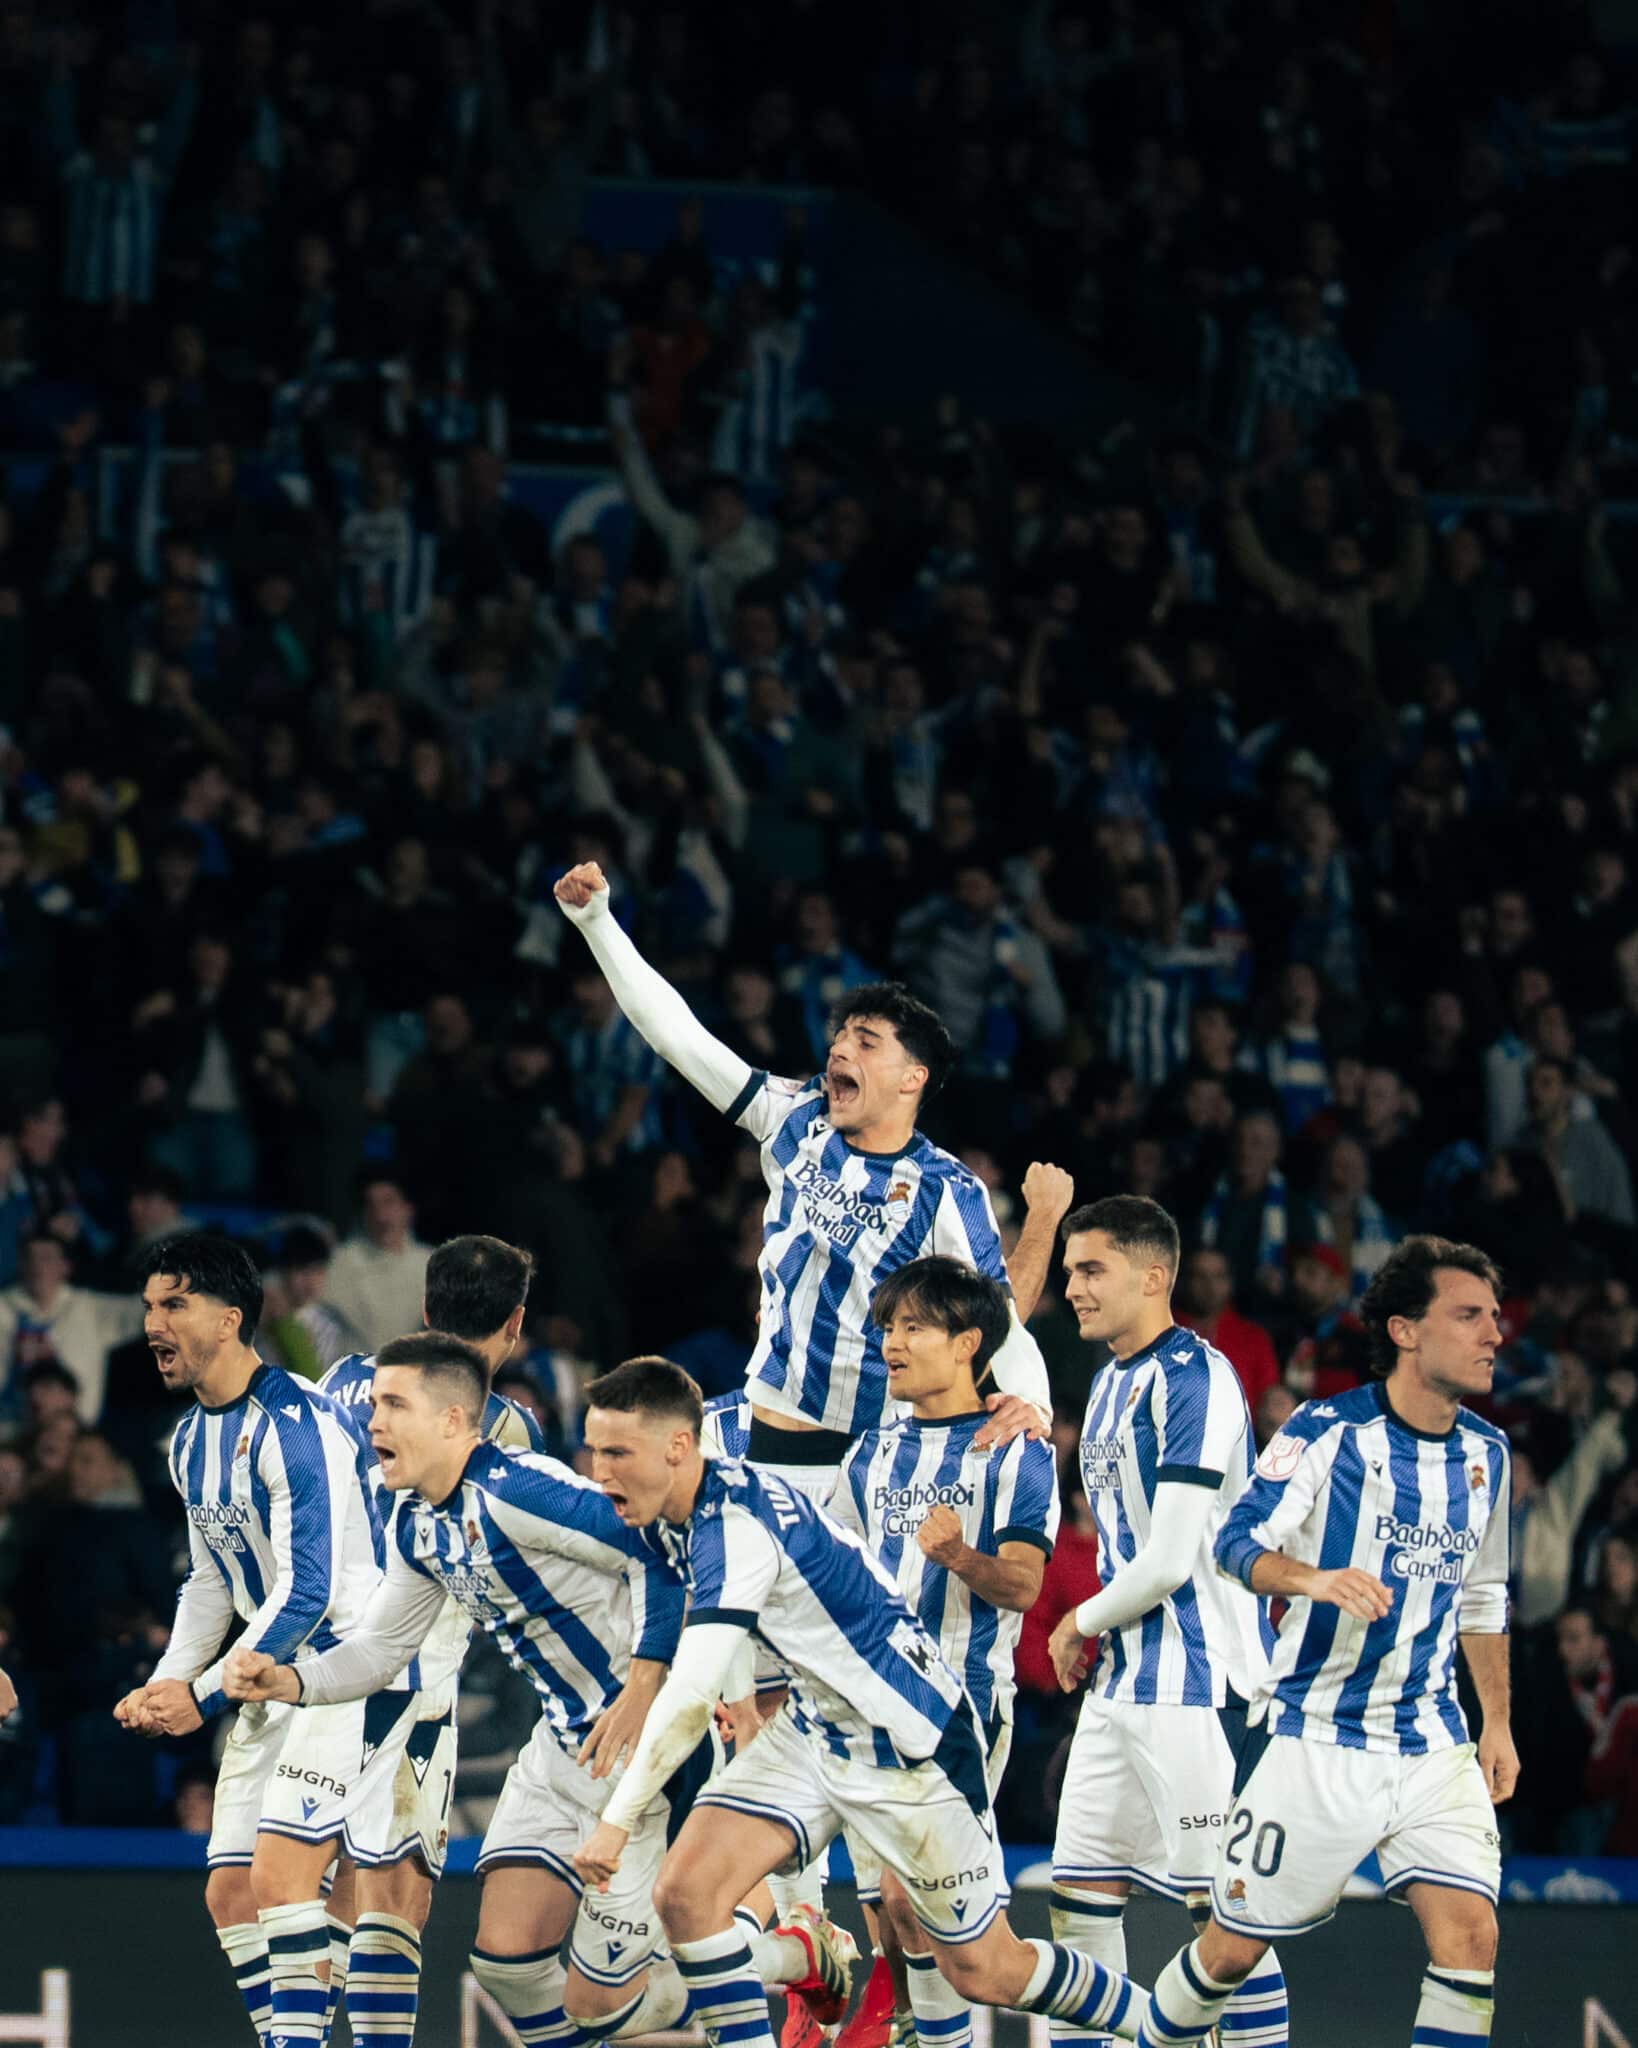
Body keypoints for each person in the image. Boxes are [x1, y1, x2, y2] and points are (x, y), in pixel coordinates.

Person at [224, 1335, 841, 2048]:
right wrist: (289, 1680)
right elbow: (382, 1650)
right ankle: (756, 1954)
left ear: (452, 1421)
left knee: (599, 2006)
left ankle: (788, 1954)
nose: (374, 1422)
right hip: (564, 1747)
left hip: (643, 1755)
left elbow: (659, 1553)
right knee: (507, 1967)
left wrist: (648, 1684)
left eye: (393, 1405)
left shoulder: (519, 1491)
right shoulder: (418, 1522)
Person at [569, 1358, 1146, 2047]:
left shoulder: (738, 1525)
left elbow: (692, 1692)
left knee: (986, 1970)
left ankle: (1165, 2024)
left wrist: (615, 1822)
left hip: (908, 1741)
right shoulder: (685, 1506)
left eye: (616, 1453)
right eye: (594, 1450)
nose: (599, 1472)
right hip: (816, 1728)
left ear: (676, 1447)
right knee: (686, 1894)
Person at [1135, 1235, 1516, 2048]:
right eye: (1470, 1315)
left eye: (1493, 1316)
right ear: (1405, 1331)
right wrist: (1312, 1579)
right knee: (1230, 1953)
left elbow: (1484, 1599)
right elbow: (1235, 1541)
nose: (1495, 1333)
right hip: (1316, 1733)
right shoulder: (1327, 1431)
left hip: (1431, 1740)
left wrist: (1498, 1723)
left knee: (1471, 1937)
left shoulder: (1488, 1454)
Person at [553, 861, 1051, 1469]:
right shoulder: (794, 1115)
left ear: (912, 1078)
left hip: (861, 1461)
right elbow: (677, 1037)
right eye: (841, 1036)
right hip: (759, 1427)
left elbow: (997, 1311)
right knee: (628, 1466)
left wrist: (1033, 1400)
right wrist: (597, 923)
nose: (840, 1049)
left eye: (866, 1042)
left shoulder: (946, 1188)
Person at [110, 1233, 432, 2048]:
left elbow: (309, 1591)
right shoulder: (190, 1440)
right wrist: (168, 1681)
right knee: (231, 1896)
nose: (152, 1324)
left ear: (228, 1319)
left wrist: (201, 1694)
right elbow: (208, 1581)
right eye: (150, 1306)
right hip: (264, 1676)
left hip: (342, 1674)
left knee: (285, 1884)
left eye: (174, 1305)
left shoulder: (296, 1423)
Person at [1043, 1198, 1287, 2048]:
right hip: (1121, 1688)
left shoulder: (1197, 1379)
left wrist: (1075, 1622)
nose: (1074, 1288)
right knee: (1078, 1907)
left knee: (1227, 1932)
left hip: (1200, 1684)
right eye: (1069, 1271)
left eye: (1091, 1269)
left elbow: (1173, 1558)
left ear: (1154, 1277)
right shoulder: (1111, 1380)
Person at [308, 1232, 546, 2041]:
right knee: (394, 1895)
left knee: (328, 1888)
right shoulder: (503, 1428)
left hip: (316, 1663)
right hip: (410, 1680)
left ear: (423, 1305)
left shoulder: (340, 1383)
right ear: (515, 1324)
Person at [825, 1257, 1060, 2048]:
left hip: (959, 1705)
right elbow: (836, 1578)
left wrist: (959, 1556)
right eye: (888, 1328)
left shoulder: (1017, 1450)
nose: (891, 1344)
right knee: (887, 1916)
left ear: (967, 1344)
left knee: (916, 1907)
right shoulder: (870, 1453)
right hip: (865, 1711)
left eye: (913, 1327)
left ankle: (1141, 2020)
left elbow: (1023, 1586)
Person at [324, 1174, 432, 1352]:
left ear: (408, 1209)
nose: (380, 1215)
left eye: (388, 1203)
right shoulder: (340, 1262)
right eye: (370, 1205)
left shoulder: (431, 1263)